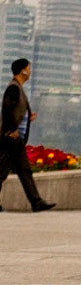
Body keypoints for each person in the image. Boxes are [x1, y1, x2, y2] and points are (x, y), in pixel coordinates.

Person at [0, 59, 54, 213]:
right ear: (22, 71)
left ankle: (37, 203)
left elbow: (15, 109)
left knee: (25, 171)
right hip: (11, 138)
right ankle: (37, 202)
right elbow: (6, 108)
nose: (30, 72)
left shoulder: (18, 88)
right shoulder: (13, 88)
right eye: (28, 69)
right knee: (1, 171)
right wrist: (11, 129)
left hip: (18, 139)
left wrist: (27, 117)